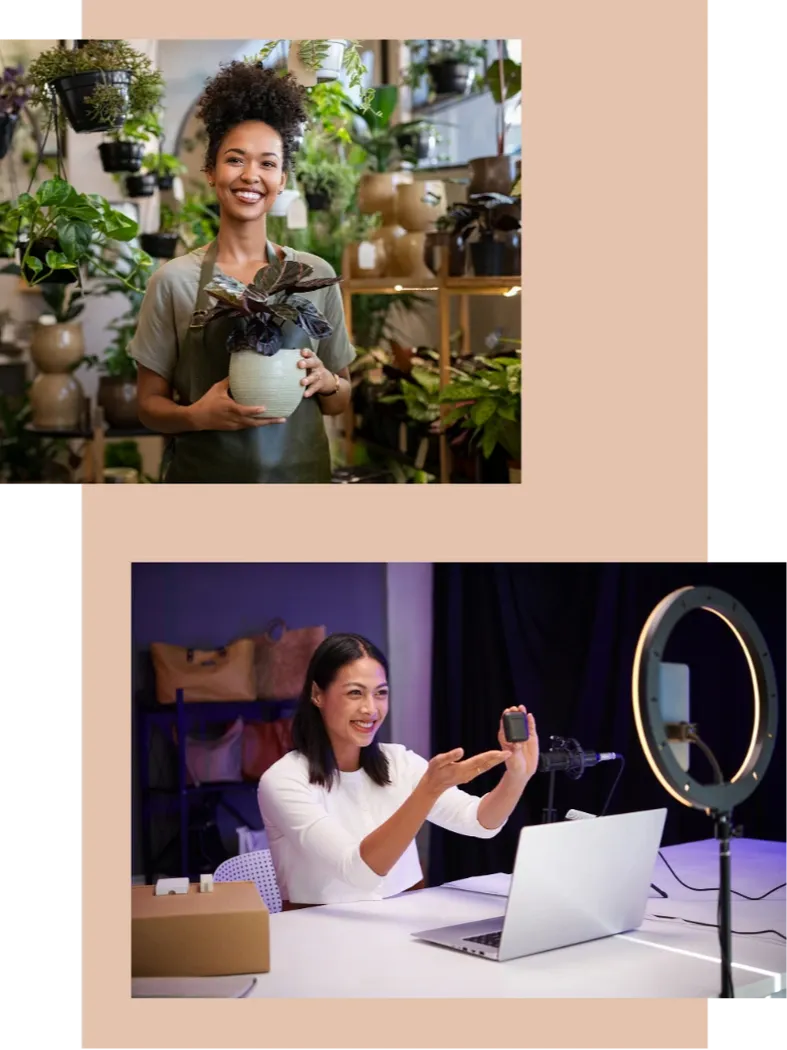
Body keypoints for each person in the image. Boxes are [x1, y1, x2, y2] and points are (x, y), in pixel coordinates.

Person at [128, 61, 354, 483]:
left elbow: (340, 399)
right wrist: (197, 416)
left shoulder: (313, 274)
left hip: (302, 485)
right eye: (235, 160)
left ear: (282, 179)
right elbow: (148, 406)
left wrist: (327, 382)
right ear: (211, 172)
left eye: (268, 164)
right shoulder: (174, 281)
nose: (251, 175)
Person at [257, 633, 539, 908]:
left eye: (380, 693)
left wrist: (517, 777)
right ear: (318, 694)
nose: (371, 709)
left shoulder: (399, 761)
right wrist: (427, 792)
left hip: (405, 917)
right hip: (318, 928)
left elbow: (478, 822)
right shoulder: (283, 780)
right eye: (355, 693)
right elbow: (357, 872)